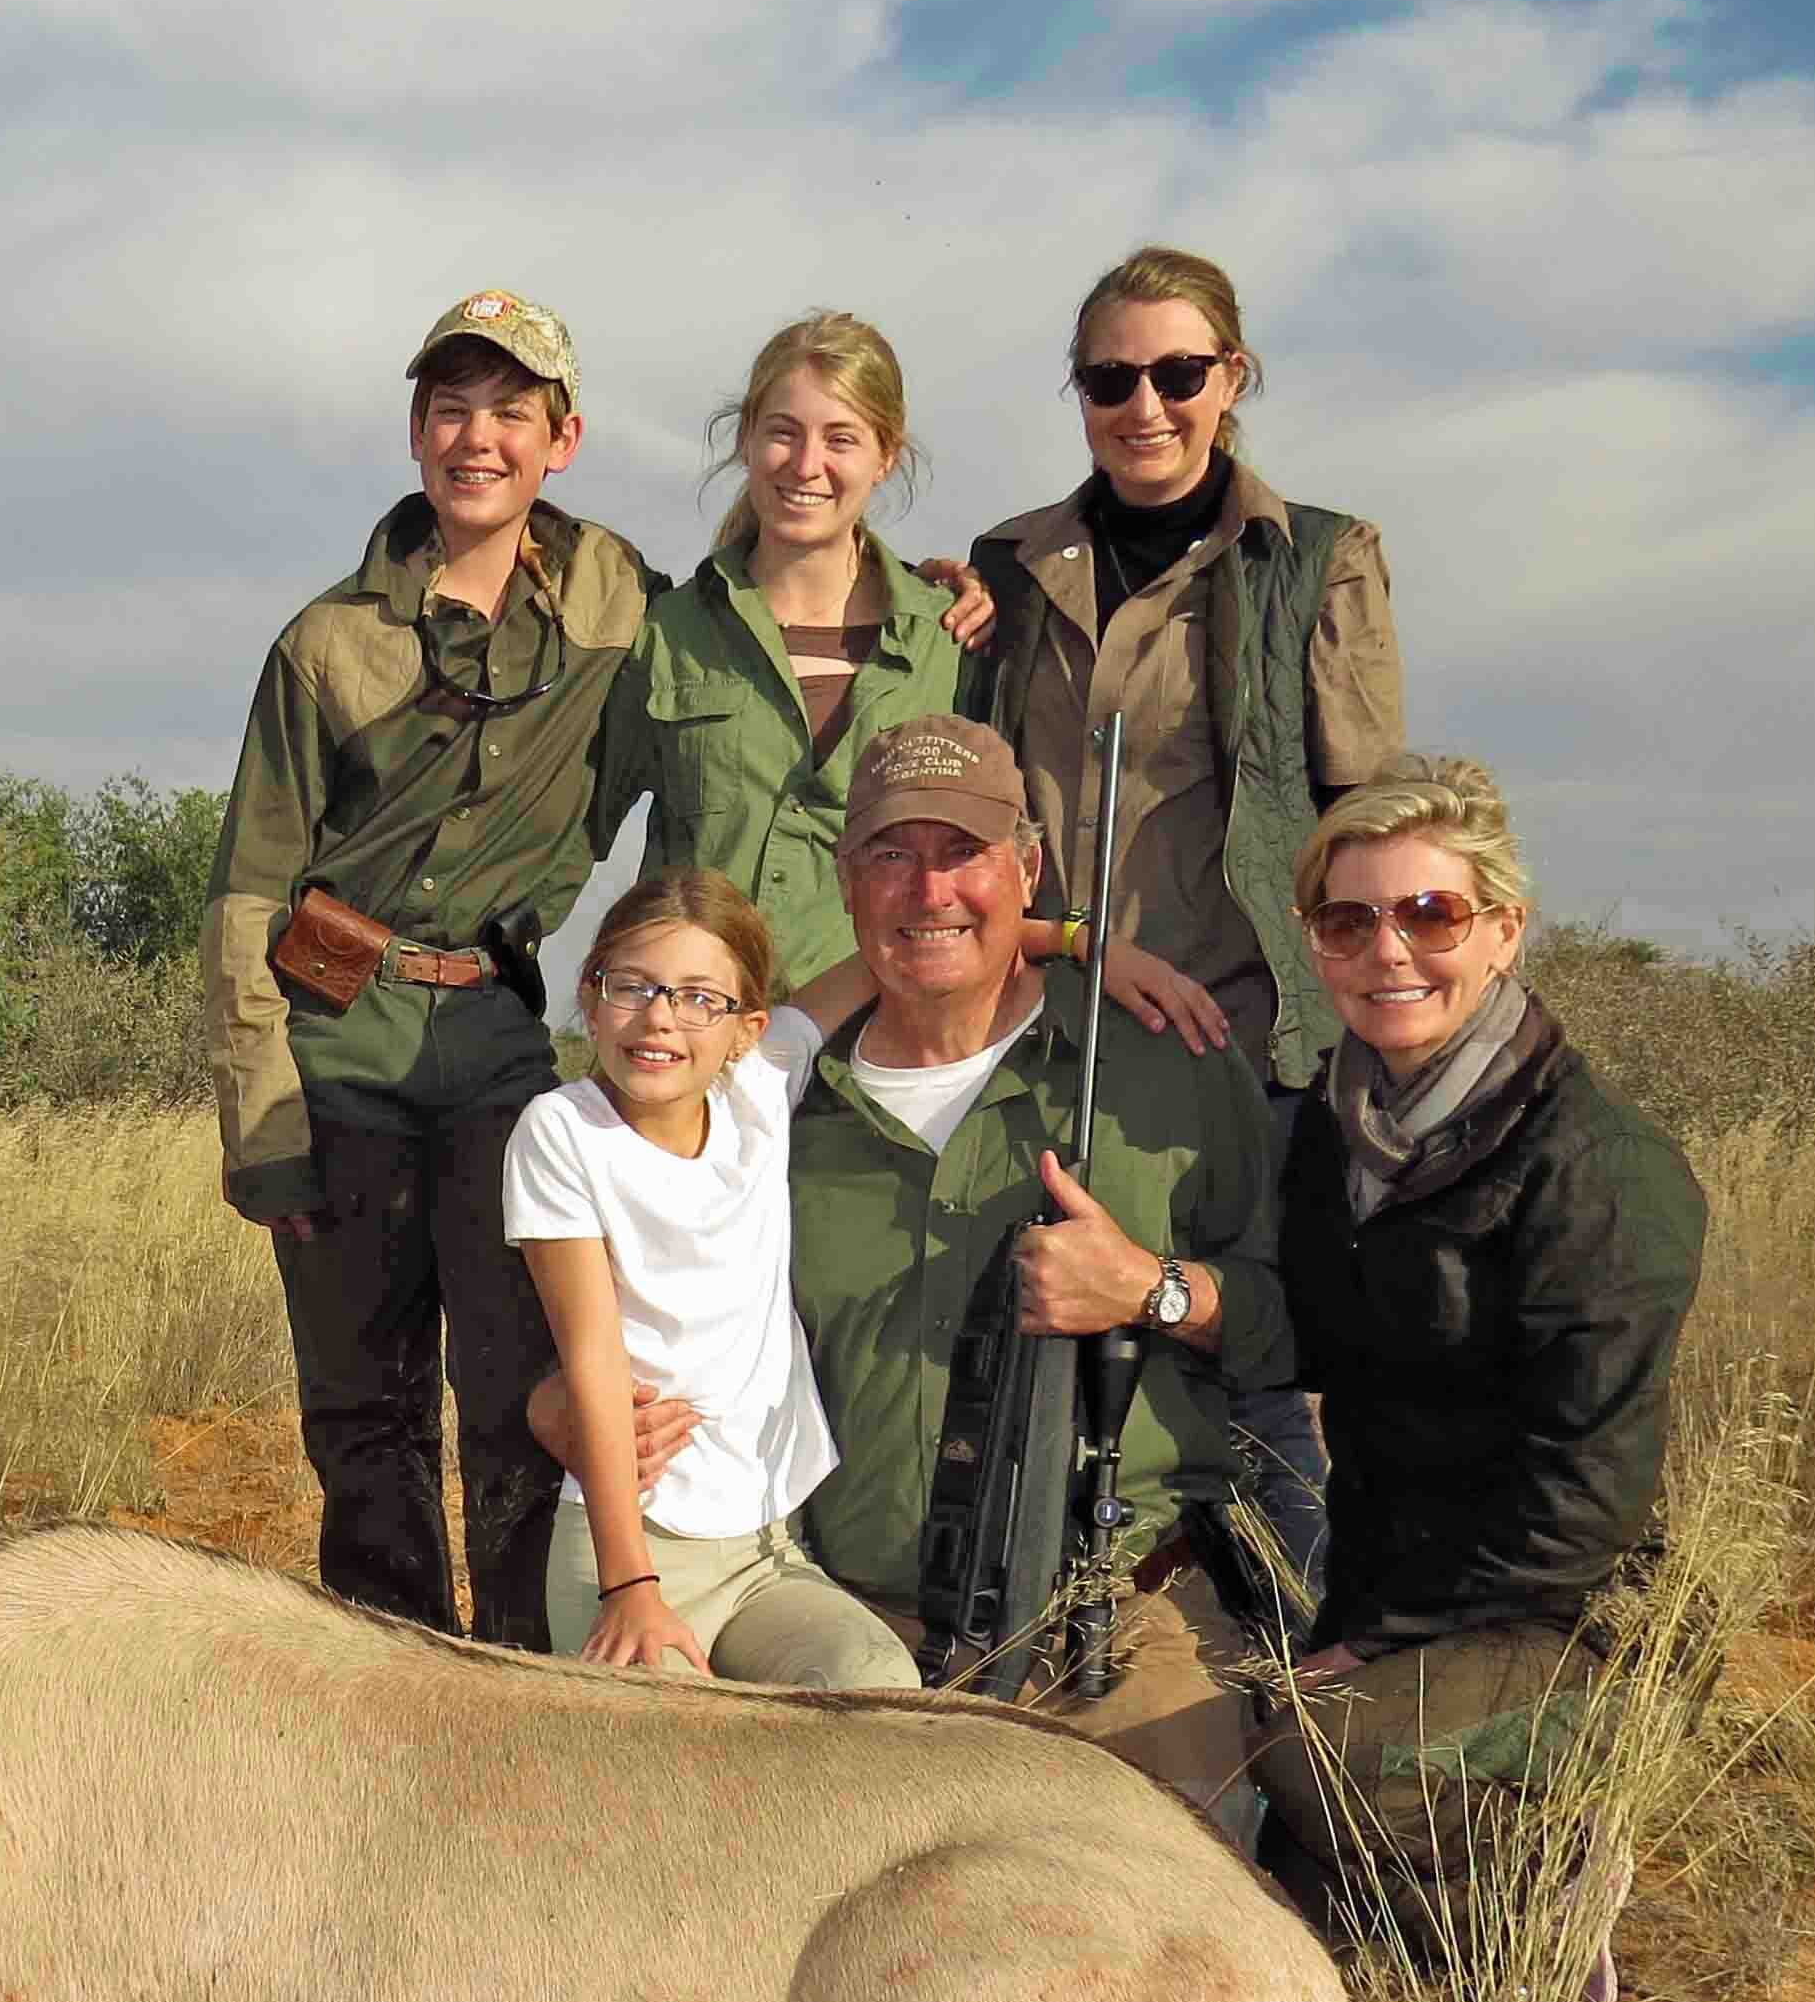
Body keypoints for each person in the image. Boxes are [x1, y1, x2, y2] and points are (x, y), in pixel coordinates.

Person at [534, 715, 1292, 1809]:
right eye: (892, 855)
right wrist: (561, 1404)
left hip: (1105, 1628)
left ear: (1025, 868)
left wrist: (1154, 1291)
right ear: (847, 881)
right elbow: (625, 1311)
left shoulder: (1164, 1066)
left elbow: (1288, 1323)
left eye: (963, 853)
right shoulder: (757, 1099)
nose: (927, 890)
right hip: (832, 1616)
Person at [201, 290, 660, 1644]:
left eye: (511, 412)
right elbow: (244, 898)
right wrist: (264, 1131)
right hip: (335, 1054)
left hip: (499, 1059)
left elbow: (759, 615)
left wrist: (922, 585)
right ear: (415, 431)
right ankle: (393, 1674)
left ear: (561, 438)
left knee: (522, 1398)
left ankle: (523, 1681)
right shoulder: (324, 642)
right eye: (452, 409)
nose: (479, 438)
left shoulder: (621, 599)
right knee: (362, 1411)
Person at [956, 245, 1404, 1623]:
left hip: (1239, 1051)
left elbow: (1363, 820)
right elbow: (964, 801)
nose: (1143, 405)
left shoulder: (1318, 560)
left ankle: (1306, 1744)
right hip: (1043, 1036)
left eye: (1177, 373)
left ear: (1233, 379)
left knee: (1252, 1399)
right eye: (1109, 379)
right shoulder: (1008, 569)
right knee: (1024, 1405)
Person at [1247, 758, 1707, 1999]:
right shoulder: (1327, 1135)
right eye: (1349, 920)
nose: (1388, 951)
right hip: (1388, 1581)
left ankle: (1555, 1867)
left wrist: (1391, 1644)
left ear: (1503, 932)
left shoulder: (1597, 1168)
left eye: (1430, 915)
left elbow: (1586, 1498)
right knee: (1266, 1844)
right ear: (1315, 943)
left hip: (1553, 1608)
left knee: (1313, 1768)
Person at [501, 870, 912, 1685]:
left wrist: (1075, 941)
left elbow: (885, 958)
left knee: (875, 1687)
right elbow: (591, 1357)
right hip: (634, 1543)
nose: (660, 1017)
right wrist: (631, 1587)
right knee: (674, 1780)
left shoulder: (761, 1088)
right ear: (590, 993)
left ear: (745, 1028)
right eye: (633, 986)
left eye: (698, 998)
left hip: (769, 1549)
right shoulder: (562, 1132)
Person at [594, 314, 972, 990]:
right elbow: (567, 837)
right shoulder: (667, 632)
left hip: (880, 1054)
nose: (806, 466)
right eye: (783, 433)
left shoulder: (954, 643)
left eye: (841, 440)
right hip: (699, 1048)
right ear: (746, 438)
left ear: (886, 456)